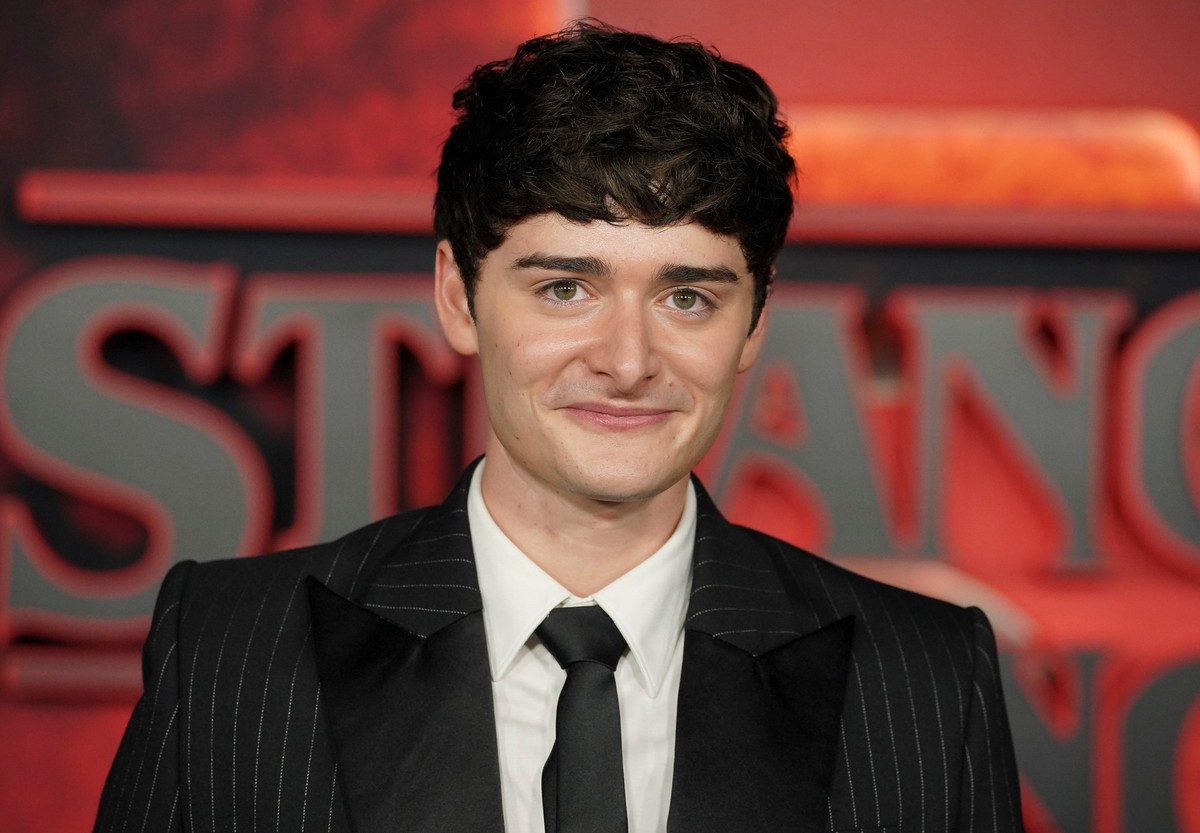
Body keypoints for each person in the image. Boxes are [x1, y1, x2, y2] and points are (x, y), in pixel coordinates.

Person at [94, 21, 1025, 833]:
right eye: (566, 287)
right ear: (458, 296)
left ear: (754, 325)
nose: (628, 360)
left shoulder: (927, 680)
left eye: (689, 296)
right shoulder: (228, 652)